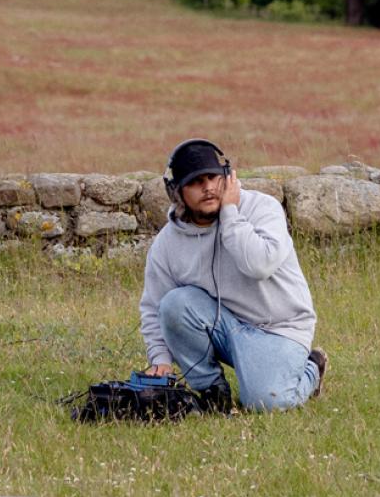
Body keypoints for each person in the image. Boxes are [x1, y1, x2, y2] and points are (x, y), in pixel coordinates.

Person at [140, 136, 327, 412]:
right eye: (195, 182)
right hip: (225, 327)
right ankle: (212, 391)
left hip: (280, 329)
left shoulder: (263, 208)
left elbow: (259, 265)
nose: (207, 188)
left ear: (228, 177)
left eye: (213, 177)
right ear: (176, 192)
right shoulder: (167, 242)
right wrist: (161, 360)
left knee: (267, 402)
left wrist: (230, 213)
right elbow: (154, 307)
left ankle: (312, 367)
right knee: (174, 304)